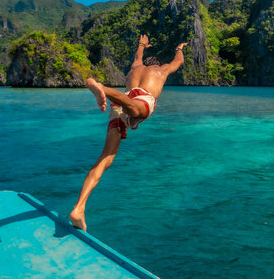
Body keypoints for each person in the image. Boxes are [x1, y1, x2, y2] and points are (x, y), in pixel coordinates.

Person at [69, 34, 188, 231]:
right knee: (134, 108)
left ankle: (79, 208)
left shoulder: (135, 67)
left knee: (105, 158)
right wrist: (180, 48)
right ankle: (102, 88)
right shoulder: (161, 69)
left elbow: (138, 56)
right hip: (140, 100)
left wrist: (142, 44)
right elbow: (178, 61)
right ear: (156, 64)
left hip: (120, 100)